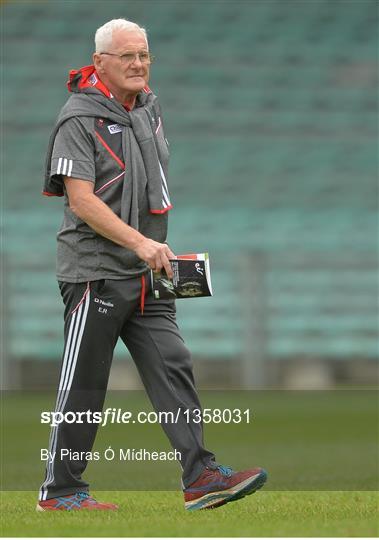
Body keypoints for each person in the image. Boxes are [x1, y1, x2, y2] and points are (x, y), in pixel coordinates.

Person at [37, 18, 267, 512]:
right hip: (95, 271)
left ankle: (201, 476)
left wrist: (153, 248)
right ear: (100, 62)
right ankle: (60, 492)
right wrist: (140, 242)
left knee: (174, 365)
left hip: (149, 274)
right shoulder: (78, 118)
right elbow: (80, 200)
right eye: (127, 56)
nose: (139, 64)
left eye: (144, 55)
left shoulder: (148, 107)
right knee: (86, 384)